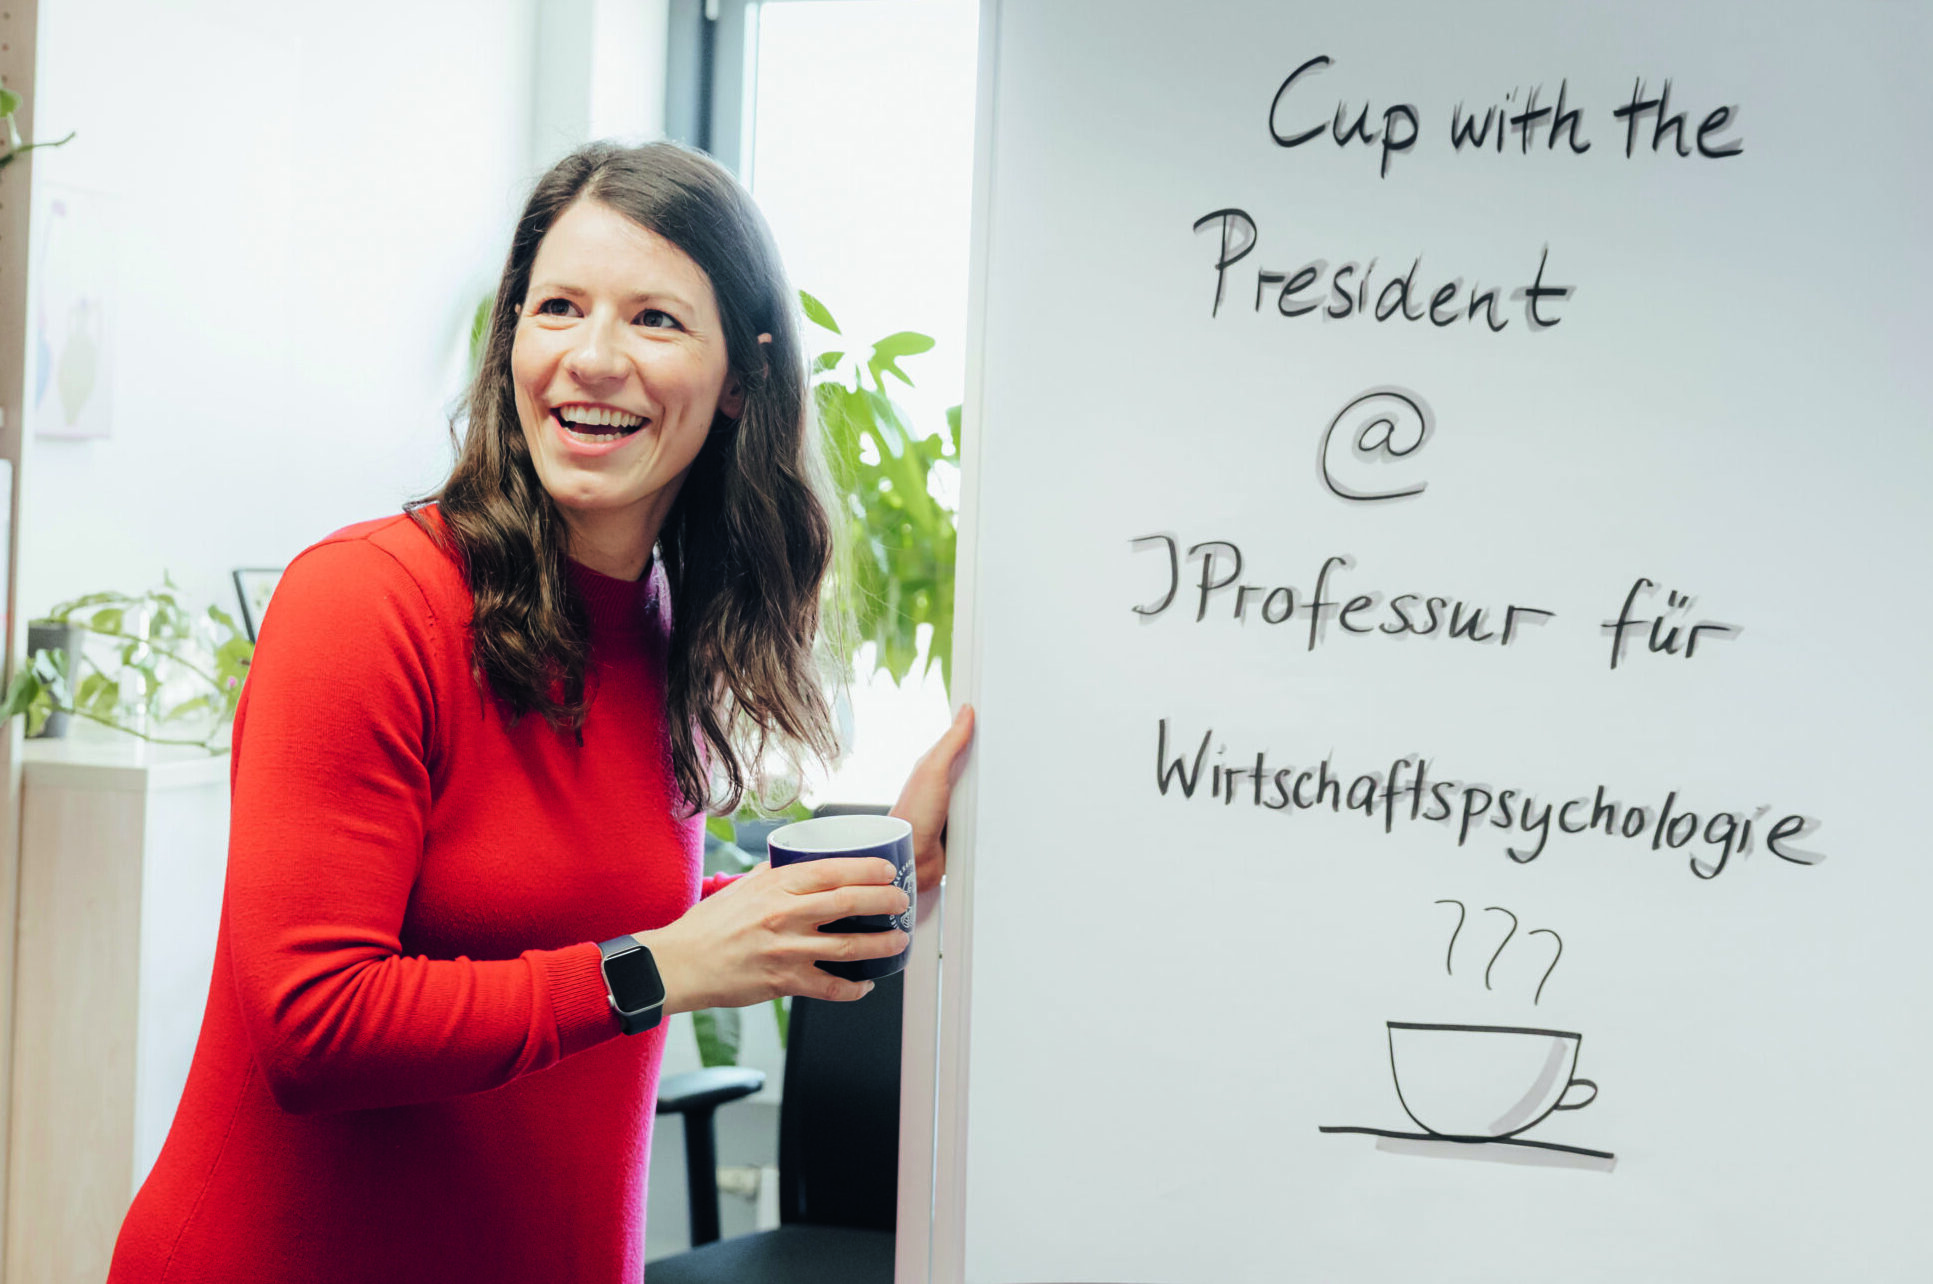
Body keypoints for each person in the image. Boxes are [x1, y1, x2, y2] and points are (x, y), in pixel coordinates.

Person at [106, 140, 975, 1283]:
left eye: (655, 320)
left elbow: (565, 913)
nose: (592, 359)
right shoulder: (366, 601)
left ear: (741, 381)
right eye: (557, 307)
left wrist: (853, 881)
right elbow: (314, 1020)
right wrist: (659, 967)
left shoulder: (658, 619)